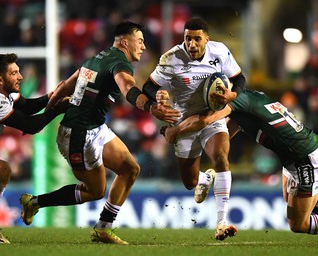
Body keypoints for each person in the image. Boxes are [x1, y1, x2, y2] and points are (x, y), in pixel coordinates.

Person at [19, 21, 180, 245]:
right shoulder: (120, 63)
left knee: (130, 169)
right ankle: (34, 202)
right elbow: (127, 89)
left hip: (94, 128)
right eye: (140, 41)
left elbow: (66, 85)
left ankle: (104, 228)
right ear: (125, 42)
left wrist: (47, 114)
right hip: (79, 135)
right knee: (95, 191)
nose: (143, 46)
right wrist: (151, 108)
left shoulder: (97, 58)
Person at [159, 88, 318, 246]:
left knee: (298, 224)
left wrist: (174, 132)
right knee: (292, 199)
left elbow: (206, 120)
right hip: (293, 156)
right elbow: (222, 133)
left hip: (306, 157)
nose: (215, 99)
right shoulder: (245, 102)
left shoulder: (241, 101)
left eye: (217, 94)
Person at [141, 17, 246, 240]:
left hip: (211, 116)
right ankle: (203, 179)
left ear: (207, 39)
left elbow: (239, 79)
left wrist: (232, 95)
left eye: (197, 39)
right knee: (189, 183)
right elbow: (149, 86)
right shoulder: (171, 58)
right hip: (183, 120)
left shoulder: (220, 51)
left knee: (221, 157)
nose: (192, 44)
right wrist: (157, 94)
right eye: (188, 38)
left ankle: (221, 222)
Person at [0, 53, 68, 244]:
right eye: (14, 73)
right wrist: (58, 108)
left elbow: (28, 107)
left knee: (3, 170)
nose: (20, 77)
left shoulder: (8, 93)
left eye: (19, 72)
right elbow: (30, 126)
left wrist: (52, 96)